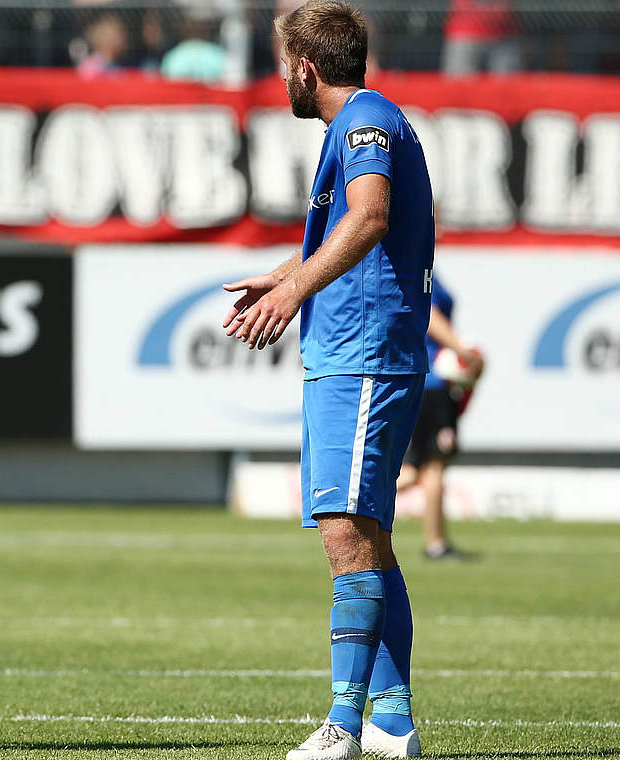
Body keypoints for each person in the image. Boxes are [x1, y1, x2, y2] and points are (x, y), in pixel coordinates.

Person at [222, 3, 431, 758]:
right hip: (355, 351)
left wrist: (293, 291)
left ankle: (341, 726)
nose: (282, 77)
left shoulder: (367, 124)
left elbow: (371, 216)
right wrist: (282, 274)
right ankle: (393, 722)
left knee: (346, 532)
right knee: (366, 535)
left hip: (365, 352)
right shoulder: (357, 125)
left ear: (304, 68)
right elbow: (345, 227)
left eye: (283, 63)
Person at [397, 275, 483, 560]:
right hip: (434, 385)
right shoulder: (423, 267)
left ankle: (352, 503)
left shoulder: (423, 264)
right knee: (432, 468)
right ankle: (436, 544)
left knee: (414, 471)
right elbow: (429, 314)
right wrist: (461, 350)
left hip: (423, 382)